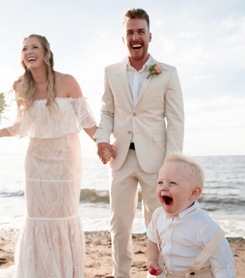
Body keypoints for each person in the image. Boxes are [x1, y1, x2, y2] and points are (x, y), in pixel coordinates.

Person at [0, 34, 98, 278]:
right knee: (37, 217)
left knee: (64, 214)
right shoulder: (20, 87)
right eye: (24, 48)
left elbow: (87, 121)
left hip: (66, 160)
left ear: (46, 53)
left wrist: (104, 144)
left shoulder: (68, 81)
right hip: (36, 162)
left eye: (34, 47)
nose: (28, 51)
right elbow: (19, 125)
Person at [93, 8, 184, 278]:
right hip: (119, 159)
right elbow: (107, 112)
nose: (136, 36)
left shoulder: (167, 72)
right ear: (123, 39)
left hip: (157, 163)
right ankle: (120, 275)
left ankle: (159, 274)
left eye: (140, 31)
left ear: (149, 36)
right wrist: (101, 140)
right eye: (130, 32)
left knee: (158, 224)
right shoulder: (110, 72)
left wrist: (172, 164)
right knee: (119, 225)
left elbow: (176, 121)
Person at [147, 153, 236, 277]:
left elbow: (223, 264)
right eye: (160, 182)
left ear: (194, 193)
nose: (164, 187)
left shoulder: (204, 225)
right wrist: (152, 260)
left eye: (172, 183)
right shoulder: (157, 216)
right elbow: (152, 239)